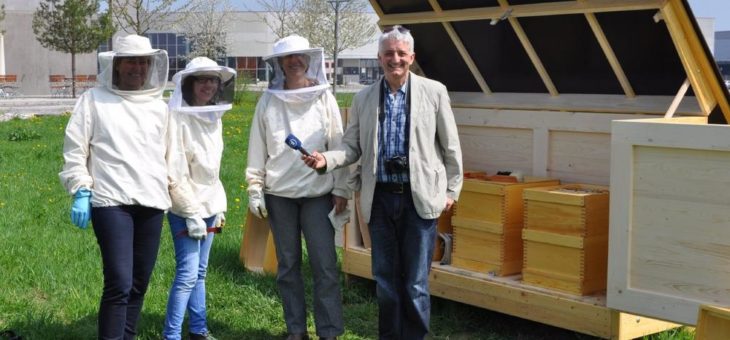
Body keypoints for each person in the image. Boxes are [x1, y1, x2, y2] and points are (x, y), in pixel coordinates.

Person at [302, 25, 464, 339]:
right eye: (389, 53)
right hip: (379, 201)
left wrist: (451, 191)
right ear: (379, 58)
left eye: (401, 53)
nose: (395, 59)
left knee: (415, 283)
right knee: (386, 281)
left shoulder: (434, 92)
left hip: (420, 200)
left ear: (412, 57)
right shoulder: (363, 98)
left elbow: (451, 147)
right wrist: (326, 160)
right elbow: (351, 148)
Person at [59, 34, 170, 339]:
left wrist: (187, 201)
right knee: (119, 282)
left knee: (138, 284)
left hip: (151, 202)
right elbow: (75, 149)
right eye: (131, 61)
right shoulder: (93, 100)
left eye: (143, 61)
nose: (138, 67)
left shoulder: (159, 107)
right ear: (117, 65)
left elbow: (170, 157)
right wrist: (81, 189)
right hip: (110, 202)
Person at [245, 34, 349, 340]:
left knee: (325, 265)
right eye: (288, 58)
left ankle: (328, 332)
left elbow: (338, 145)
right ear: (279, 63)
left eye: (299, 57)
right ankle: (296, 330)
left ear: (309, 60)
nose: (294, 62)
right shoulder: (268, 100)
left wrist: (341, 188)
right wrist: (255, 186)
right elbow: (257, 147)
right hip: (280, 197)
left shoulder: (324, 98)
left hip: (318, 195)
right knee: (288, 266)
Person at [163, 57, 236, 340]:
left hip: (209, 205)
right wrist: (191, 212)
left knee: (200, 273)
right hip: (185, 208)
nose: (208, 85)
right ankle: (171, 335)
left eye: (213, 80)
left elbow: (212, 172)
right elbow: (174, 173)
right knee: (186, 275)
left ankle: (198, 330)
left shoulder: (213, 117)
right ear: (189, 84)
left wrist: (219, 207)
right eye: (202, 79)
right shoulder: (177, 117)